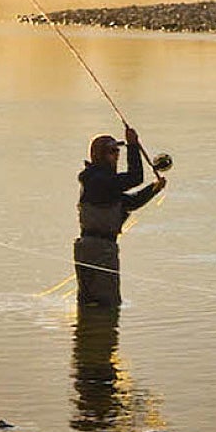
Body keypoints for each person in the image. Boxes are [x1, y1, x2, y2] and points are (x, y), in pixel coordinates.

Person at [74, 123, 166, 307]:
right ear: (99, 155)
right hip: (100, 251)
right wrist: (133, 145)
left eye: (117, 151)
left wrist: (153, 189)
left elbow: (130, 203)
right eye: (112, 152)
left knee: (90, 304)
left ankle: (88, 334)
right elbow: (135, 177)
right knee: (107, 304)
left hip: (93, 248)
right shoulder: (98, 180)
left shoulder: (100, 181)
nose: (116, 155)